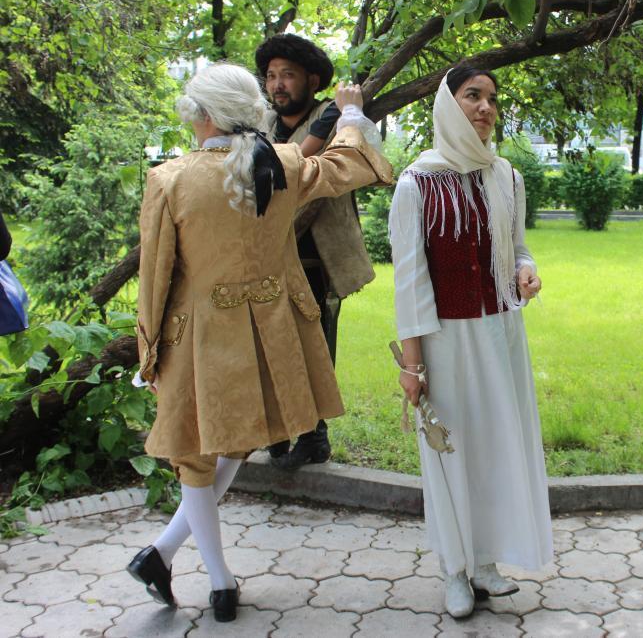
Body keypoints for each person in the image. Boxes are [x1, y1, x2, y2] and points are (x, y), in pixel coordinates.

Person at [126, 63, 391, 622]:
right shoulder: (282, 163)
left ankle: (207, 577)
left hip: (199, 336)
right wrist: (349, 113)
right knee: (227, 446)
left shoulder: (171, 179)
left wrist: (148, 352)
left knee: (200, 454)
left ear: (202, 115)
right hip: (269, 330)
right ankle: (177, 564)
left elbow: (155, 277)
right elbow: (350, 164)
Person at [388, 66, 552, 619]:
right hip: (445, 343)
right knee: (450, 454)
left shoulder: (506, 177)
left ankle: (485, 562)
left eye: (491, 99)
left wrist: (526, 270)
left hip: (501, 334)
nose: (485, 107)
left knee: (495, 447)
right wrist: (412, 365)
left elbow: (519, 247)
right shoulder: (416, 184)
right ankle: (453, 570)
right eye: (472, 96)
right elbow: (409, 281)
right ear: (448, 105)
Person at [253, 33, 378, 470]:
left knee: (314, 348)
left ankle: (313, 437)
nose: (277, 84)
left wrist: (350, 111)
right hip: (268, 257)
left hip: (316, 259)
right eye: (271, 76)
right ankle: (277, 432)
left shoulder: (331, 116)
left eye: (287, 75)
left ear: (311, 79)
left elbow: (299, 168)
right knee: (269, 345)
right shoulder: (263, 123)